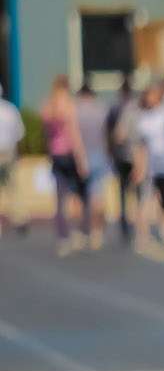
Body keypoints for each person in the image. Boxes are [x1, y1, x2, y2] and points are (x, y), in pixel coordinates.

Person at [41, 76, 90, 254]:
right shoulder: (69, 107)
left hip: (55, 154)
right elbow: (74, 134)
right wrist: (81, 160)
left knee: (60, 197)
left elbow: (46, 133)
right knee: (80, 194)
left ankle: (63, 236)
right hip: (69, 154)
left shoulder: (48, 107)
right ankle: (82, 231)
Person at [134, 81, 164, 246]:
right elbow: (141, 144)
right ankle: (143, 232)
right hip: (149, 162)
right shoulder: (143, 117)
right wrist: (139, 165)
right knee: (145, 197)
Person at [75, 83, 113, 250]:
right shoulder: (102, 110)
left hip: (81, 156)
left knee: (81, 197)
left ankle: (85, 230)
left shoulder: (75, 111)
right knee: (98, 194)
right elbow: (107, 135)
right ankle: (97, 230)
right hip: (99, 155)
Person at [108, 76, 142, 244]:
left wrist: (111, 151)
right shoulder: (138, 108)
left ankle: (126, 227)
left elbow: (114, 134)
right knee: (139, 193)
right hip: (136, 156)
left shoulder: (117, 109)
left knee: (123, 192)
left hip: (123, 155)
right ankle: (139, 229)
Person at [0, 82, 22, 237]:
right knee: (13, 187)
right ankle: (19, 218)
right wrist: (19, 153)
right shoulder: (10, 110)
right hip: (9, 152)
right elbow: (19, 134)